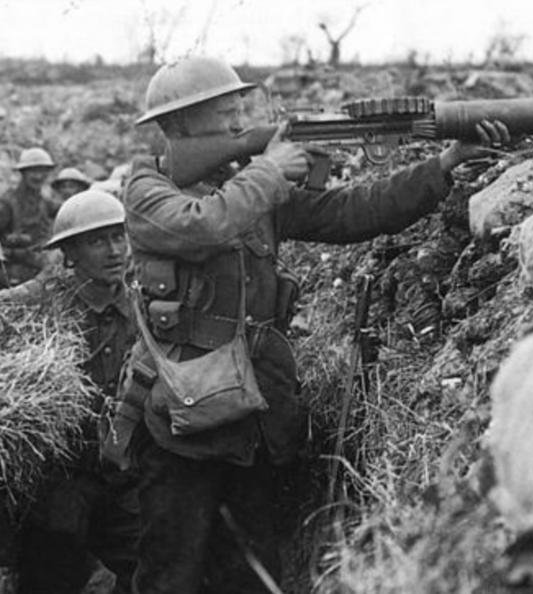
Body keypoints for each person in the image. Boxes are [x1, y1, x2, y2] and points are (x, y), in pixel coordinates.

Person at [113, 55, 510, 593]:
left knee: (250, 574)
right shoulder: (147, 190)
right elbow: (201, 226)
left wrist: (441, 166)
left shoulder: (247, 184)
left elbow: (350, 212)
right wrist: (269, 171)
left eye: (239, 109)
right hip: (181, 419)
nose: (237, 123)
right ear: (176, 126)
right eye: (223, 114)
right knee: (171, 572)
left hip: (252, 413)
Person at [0, 190, 140, 594]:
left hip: (122, 470)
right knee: (51, 572)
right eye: (98, 241)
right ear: (70, 253)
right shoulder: (40, 299)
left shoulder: (138, 303)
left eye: (119, 237)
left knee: (147, 568)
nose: (115, 251)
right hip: (58, 478)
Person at [0, 147, 56, 287]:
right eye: (33, 171)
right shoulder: (8, 202)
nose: (38, 176)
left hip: (38, 270)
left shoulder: (44, 202)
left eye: (43, 171)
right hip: (11, 271)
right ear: (23, 173)